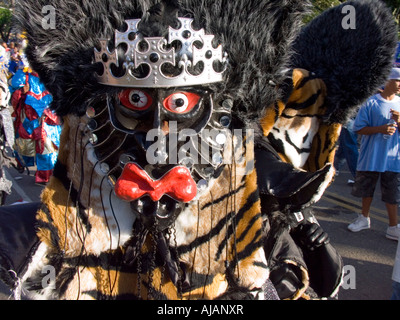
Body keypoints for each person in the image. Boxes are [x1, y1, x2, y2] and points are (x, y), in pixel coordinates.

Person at [348, 68, 400, 240]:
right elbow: (358, 128)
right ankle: (364, 218)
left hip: (392, 160)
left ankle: (393, 226)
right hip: (371, 156)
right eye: (398, 81)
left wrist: (399, 121)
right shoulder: (371, 103)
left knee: (392, 193)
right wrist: (380, 129)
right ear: (388, 81)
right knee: (367, 189)